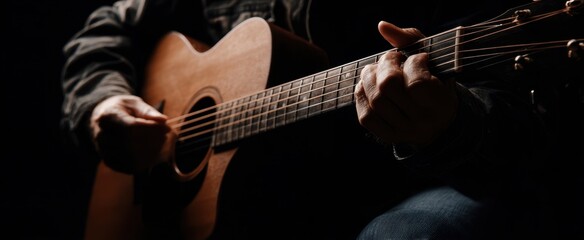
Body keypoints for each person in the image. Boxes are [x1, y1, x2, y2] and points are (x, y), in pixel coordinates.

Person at [61, 0, 582, 239]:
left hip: (395, 184)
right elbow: (108, 25)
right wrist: (101, 105)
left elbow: (528, 133)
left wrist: (447, 126)